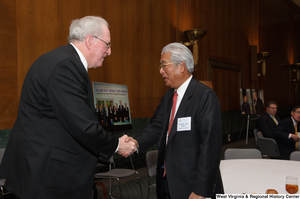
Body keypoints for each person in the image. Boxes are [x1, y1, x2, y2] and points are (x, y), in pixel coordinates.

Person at [0, 16, 136, 199]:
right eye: (107, 44)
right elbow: (83, 125)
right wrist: (117, 144)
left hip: (43, 171)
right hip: (48, 177)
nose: (109, 51)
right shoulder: (67, 65)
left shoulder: (58, 60)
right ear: (89, 40)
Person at [128, 42, 224, 199]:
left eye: (164, 65)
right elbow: (158, 127)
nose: (160, 71)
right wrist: (135, 143)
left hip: (193, 186)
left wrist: (200, 191)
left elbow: (210, 147)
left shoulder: (204, 96)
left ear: (181, 66)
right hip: (168, 181)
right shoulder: (169, 96)